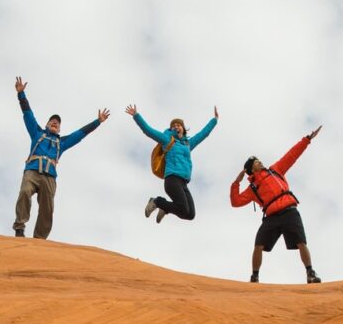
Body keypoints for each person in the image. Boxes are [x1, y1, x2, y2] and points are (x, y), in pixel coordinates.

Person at [13, 76, 110, 239]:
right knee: (24, 192)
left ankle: (39, 239)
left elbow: (80, 134)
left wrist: (97, 122)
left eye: (57, 123)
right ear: (46, 125)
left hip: (49, 177)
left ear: (59, 129)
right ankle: (19, 228)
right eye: (52, 121)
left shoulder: (62, 142)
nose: (55, 123)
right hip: (32, 172)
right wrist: (21, 94)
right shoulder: (37, 133)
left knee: (47, 208)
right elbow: (28, 114)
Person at [231, 126, 322, 284]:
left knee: (301, 242)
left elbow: (291, 156)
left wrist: (306, 140)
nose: (261, 163)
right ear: (252, 169)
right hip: (271, 217)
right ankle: (254, 277)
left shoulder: (275, 170)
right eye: (257, 162)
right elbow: (235, 202)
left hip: (289, 211)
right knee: (258, 245)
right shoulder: (252, 188)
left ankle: (310, 273)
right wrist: (236, 183)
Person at [127, 103, 216, 223]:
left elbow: (203, 134)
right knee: (183, 209)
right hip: (172, 179)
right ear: (171, 129)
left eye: (179, 125)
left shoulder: (188, 144)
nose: (176, 127)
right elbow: (148, 131)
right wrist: (136, 115)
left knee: (190, 214)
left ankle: (165, 208)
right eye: (173, 126)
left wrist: (214, 120)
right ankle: (157, 201)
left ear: (183, 129)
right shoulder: (167, 139)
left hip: (184, 182)